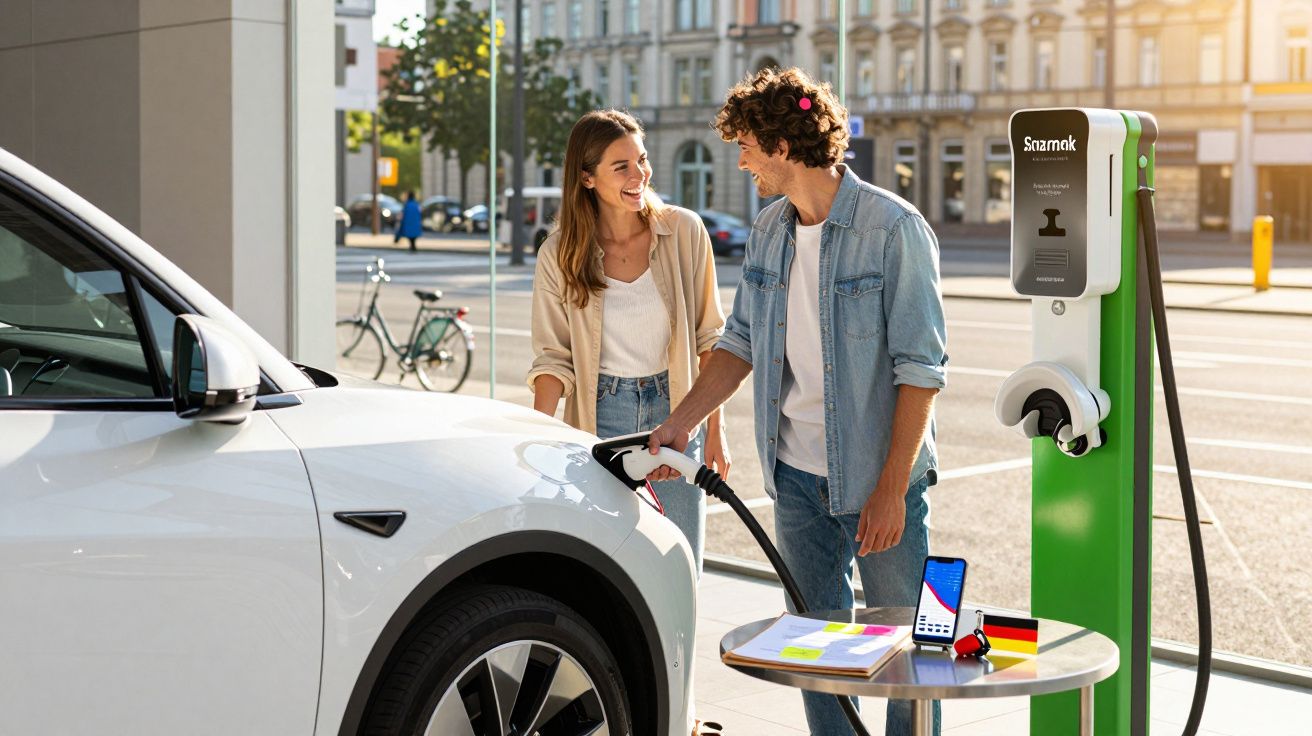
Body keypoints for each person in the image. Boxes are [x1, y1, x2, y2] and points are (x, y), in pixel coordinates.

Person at [646, 67, 948, 736]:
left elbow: (921, 370)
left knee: (913, 649)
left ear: (782, 146)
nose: (744, 160)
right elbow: (740, 344)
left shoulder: (892, 230)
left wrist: (893, 486)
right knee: (816, 646)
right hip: (796, 479)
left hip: (880, 476)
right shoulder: (770, 230)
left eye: (748, 146)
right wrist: (678, 424)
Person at [527, 108, 731, 578]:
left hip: (679, 408)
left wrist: (715, 432)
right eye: (621, 167)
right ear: (587, 178)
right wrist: (538, 442)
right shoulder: (559, 253)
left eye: (641, 160)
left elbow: (710, 339)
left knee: (678, 567)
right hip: (601, 418)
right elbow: (553, 359)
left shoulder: (683, 231)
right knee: (607, 568)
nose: (639, 175)